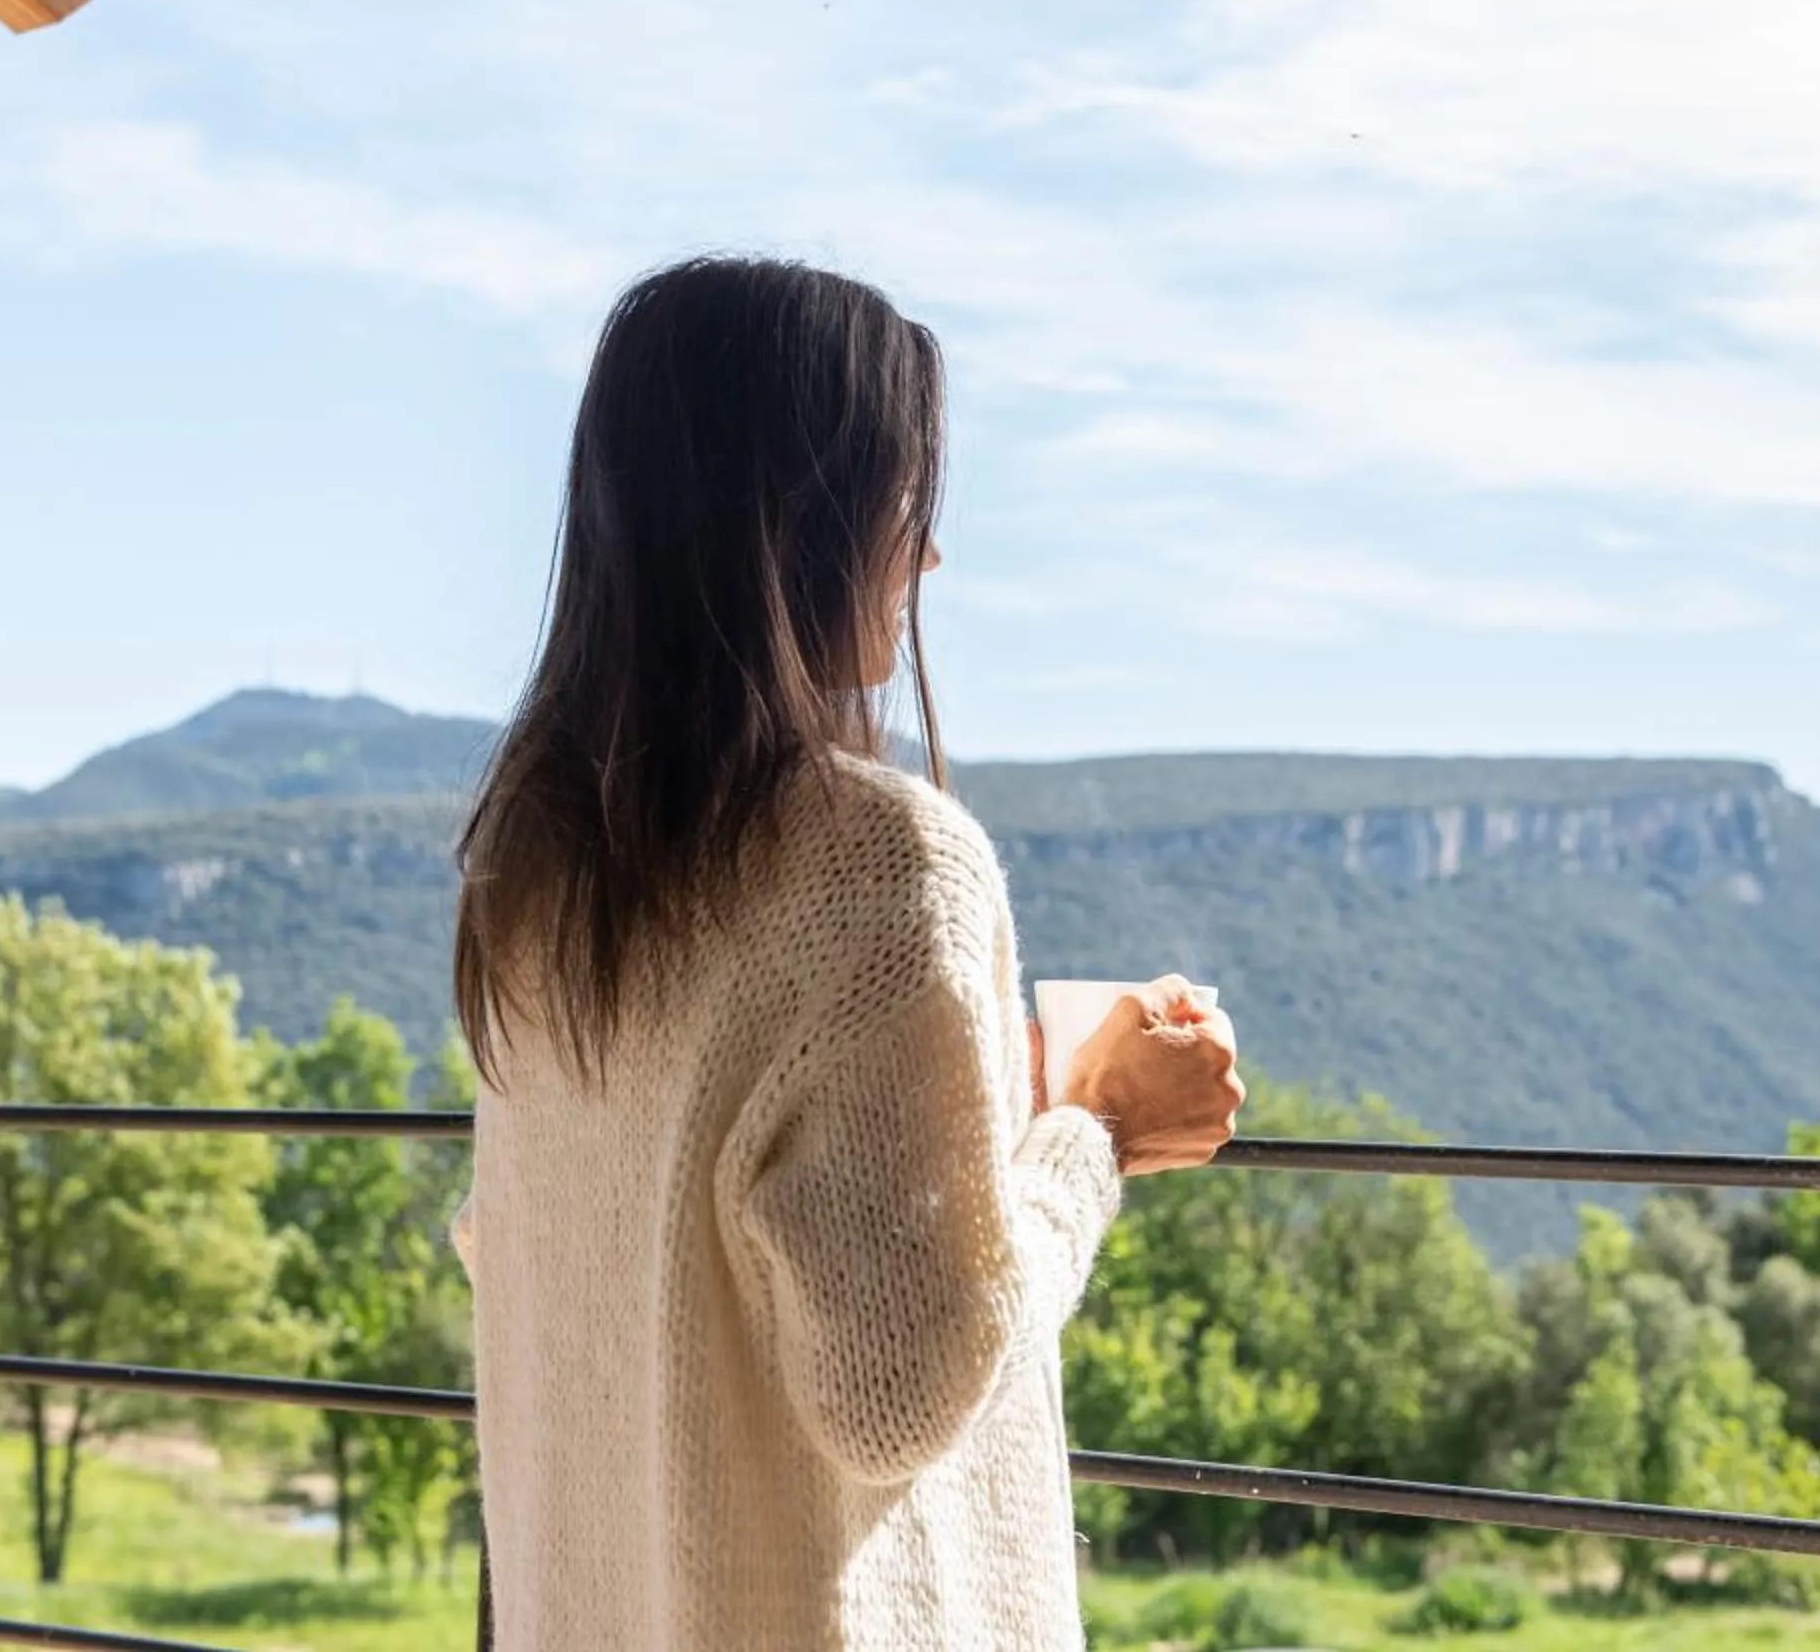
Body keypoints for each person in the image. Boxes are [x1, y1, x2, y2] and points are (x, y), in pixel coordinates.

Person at [450, 257, 1245, 1651]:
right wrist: (1094, 1131)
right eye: (906, 500)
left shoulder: (534, 864)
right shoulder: (879, 864)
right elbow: (900, 1392)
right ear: (803, 521)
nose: (924, 556)